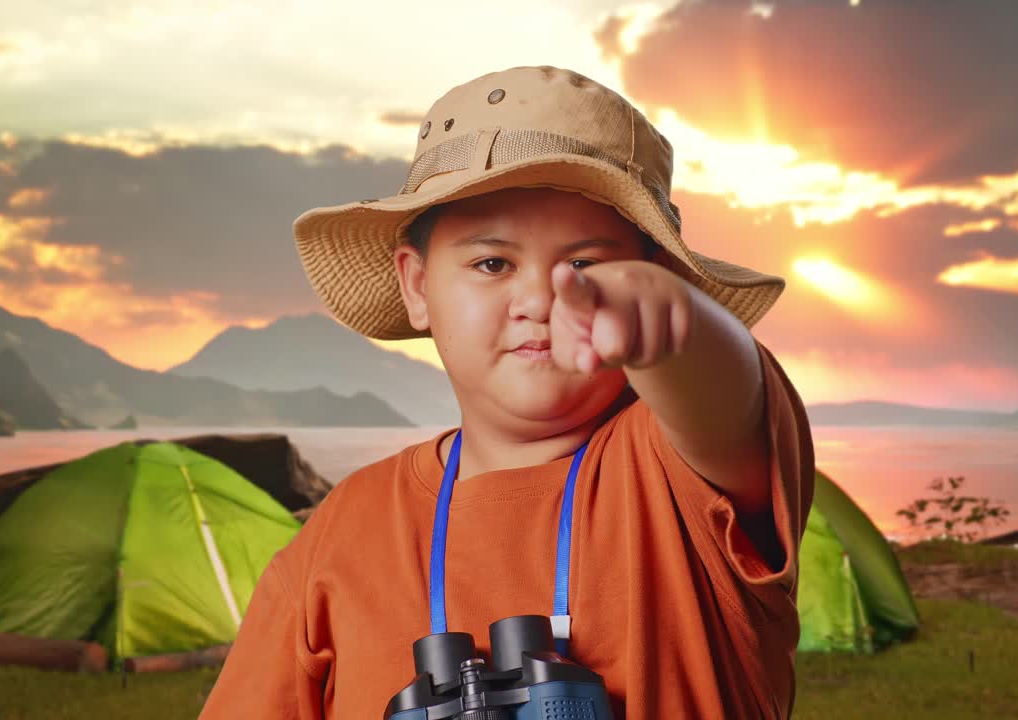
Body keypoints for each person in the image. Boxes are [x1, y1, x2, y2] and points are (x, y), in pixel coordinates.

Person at [200, 65, 814, 719]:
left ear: (658, 277)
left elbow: (727, 397)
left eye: (587, 265)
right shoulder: (340, 535)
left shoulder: (679, 472)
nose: (540, 298)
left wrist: (676, 328)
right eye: (492, 263)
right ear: (416, 285)